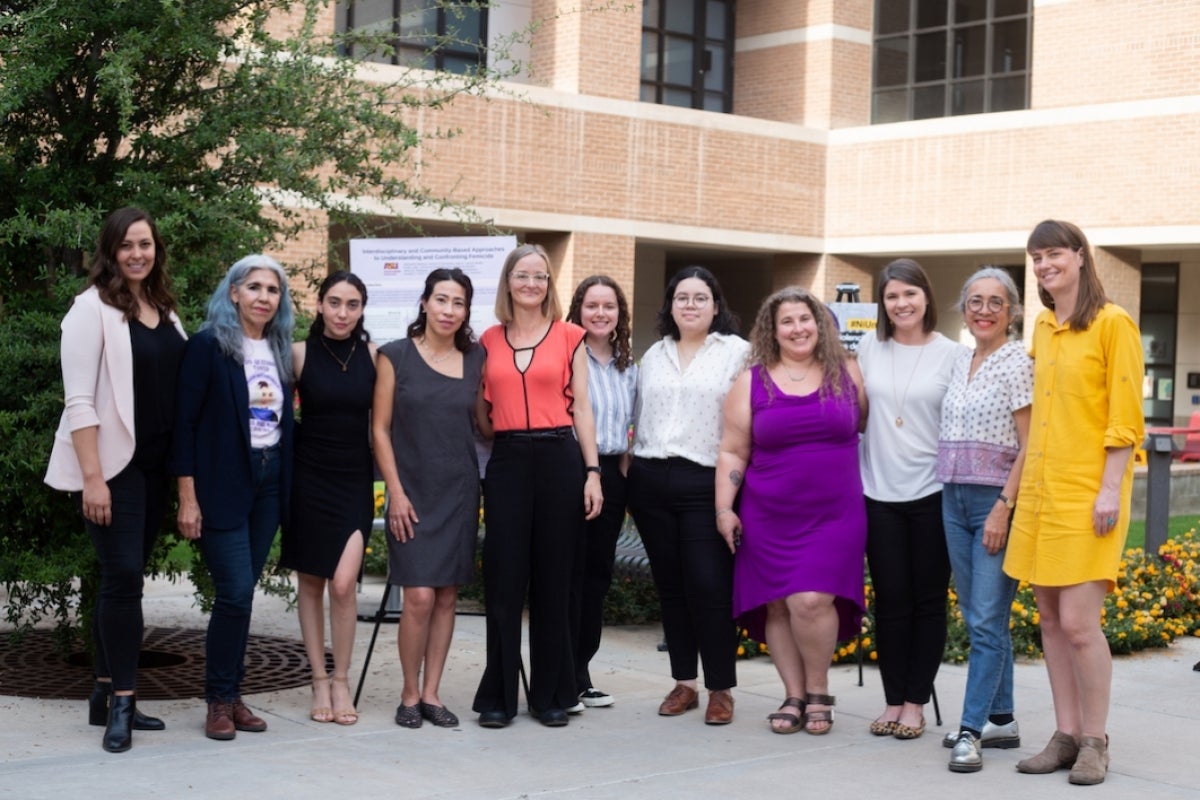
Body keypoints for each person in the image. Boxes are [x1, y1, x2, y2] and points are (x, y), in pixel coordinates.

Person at [1004, 220, 1144, 785]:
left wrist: (1110, 488)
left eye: (1054, 253)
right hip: (1042, 491)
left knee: (1081, 624)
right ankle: (1064, 736)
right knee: (1049, 621)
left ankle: (1095, 741)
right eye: (1036, 257)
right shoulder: (1041, 326)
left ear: (1081, 257)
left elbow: (1125, 416)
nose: (1043, 265)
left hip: (1091, 493)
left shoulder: (1114, 324)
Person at [45, 207, 186, 753]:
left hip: (154, 470)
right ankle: (122, 703)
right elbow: (78, 400)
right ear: (110, 250)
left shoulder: (167, 312)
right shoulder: (91, 309)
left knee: (123, 580)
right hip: (111, 470)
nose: (136, 254)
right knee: (124, 577)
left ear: (156, 250)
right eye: (126, 245)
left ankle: (104, 691)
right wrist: (93, 479)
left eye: (145, 244)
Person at [716, 288, 867, 735]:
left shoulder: (847, 372)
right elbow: (731, 451)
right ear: (772, 329)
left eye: (806, 318)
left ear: (819, 324)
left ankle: (819, 690)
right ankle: (794, 695)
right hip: (769, 510)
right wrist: (725, 508)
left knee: (811, 598)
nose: (798, 328)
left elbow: (864, 425)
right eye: (788, 321)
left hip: (835, 512)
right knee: (778, 604)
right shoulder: (752, 381)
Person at [472, 243, 603, 728]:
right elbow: (481, 414)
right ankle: (498, 697)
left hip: (559, 457)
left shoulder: (572, 336)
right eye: (522, 275)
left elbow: (583, 408)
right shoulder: (487, 339)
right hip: (506, 460)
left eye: (541, 276)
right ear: (508, 282)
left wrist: (593, 473)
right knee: (504, 579)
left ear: (550, 284)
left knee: (554, 580)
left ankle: (551, 694)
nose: (532, 283)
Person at [171, 254, 295, 741]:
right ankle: (219, 701)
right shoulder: (208, 347)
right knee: (237, 591)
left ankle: (233, 694)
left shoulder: (281, 349)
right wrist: (187, 496)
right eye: (256, 287)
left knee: (241, 598)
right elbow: (183, 424)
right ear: (234, 293)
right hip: (221, 483)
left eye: (274, 290)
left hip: (269, 480)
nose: (265, 296)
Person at [627, 266, 749, 725]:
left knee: (709, 586)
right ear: (670, 306)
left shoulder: (738, 354)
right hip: (651, 479)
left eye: (701, 298)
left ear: (716, 306)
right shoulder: (653, 355)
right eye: (682, 298)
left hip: (707, 482)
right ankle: (684, 682)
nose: (691, 305)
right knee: (672, 588)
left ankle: (721, 688)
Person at [372, 268, 485, 730]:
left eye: (458, 303)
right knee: (417, 595)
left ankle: (433, 693)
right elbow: (379, 429)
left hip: (458, 490)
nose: (449, 311)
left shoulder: (477, 359)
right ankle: (408, 692)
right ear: (424, 303)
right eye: (442, 300)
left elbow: (485, 424)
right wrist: (393, 493)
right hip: (410, 492)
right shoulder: (394, 356)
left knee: (445, 597)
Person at [858, 258, 964, 740]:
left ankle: (916, 703)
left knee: (927, 602)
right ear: (883, 303)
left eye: (910, 294)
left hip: (932, 493)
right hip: (877, 493)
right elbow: (855, 415)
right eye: (892, 296)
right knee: (890, 601)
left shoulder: (952, 354)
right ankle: (891, 699)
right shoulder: (868, 348)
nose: (901, 303)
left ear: (926, 298)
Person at [937, 267, 1033, 772]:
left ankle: (971, 731)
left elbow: (1029, 443)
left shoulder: (1018, 362)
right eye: (975, 301)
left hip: (993, 501)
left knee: (987, 621)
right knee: (983, 617)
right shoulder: (961, 360)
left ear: (1012, 312)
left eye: (996, 302)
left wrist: (1004, 505)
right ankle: (1001, 718)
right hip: (952, 498)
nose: (984, 310)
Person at [280, 271, 376, 727]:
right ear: (318, 305)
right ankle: (319, 679)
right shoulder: (297, 355)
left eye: (352, 304)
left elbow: (388, 422)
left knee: (343, 583)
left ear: (362, 309)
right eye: (334, 302)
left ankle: (342, 678)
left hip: (355, 479)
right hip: (309, 478)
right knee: (312, 583)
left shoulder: (377, 357)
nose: (343, 312)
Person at [565, 275, 638, 710]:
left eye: (608, 306)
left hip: (612, 473)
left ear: (619, 314)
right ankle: (561, 672)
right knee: (568, 574)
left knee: (597, 577)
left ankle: (582, 672)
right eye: (591, 305)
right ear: (578, 310)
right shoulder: (567, 356)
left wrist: (622, 479)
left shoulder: (630, 366)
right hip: (572, 470)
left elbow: (633, 429)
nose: (600, 313)